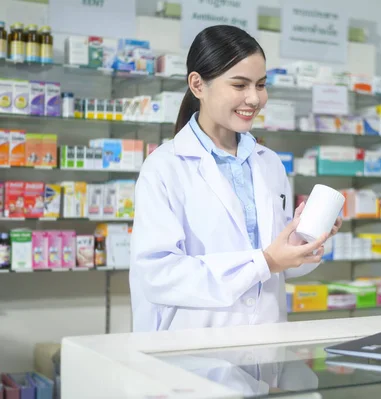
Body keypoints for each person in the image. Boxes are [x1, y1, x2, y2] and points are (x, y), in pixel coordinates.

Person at [129, 25, 343, 333]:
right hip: (193, 349)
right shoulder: (164, 167)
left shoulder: (269, 164)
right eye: (240, 85)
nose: (254, 99)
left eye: (260, 84)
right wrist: (265, 262)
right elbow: (159, 275)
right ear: (198, 85)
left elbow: (281, 267)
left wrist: (304, 239)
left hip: (265, 342)